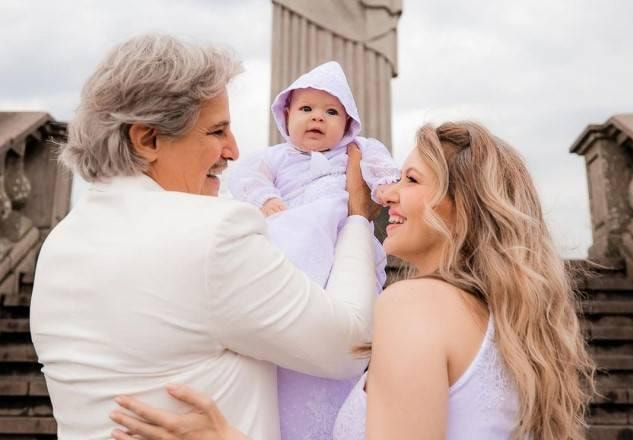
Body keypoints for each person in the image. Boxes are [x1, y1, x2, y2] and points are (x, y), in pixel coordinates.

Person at [110, 122, 596, 440]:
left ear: (460, 203)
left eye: (409, 180)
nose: (385, 193)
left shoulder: (416, 305)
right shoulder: (505, 320)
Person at [29, 33, 380, 440]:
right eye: (217, 132)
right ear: (147, 140)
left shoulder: (60, 243)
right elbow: (351, 344)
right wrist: (357, 217)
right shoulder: (215, 235)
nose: (233, 151)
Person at [227, 60, 399, 440]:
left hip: (342, 241)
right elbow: (243, 176)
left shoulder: (357, 150)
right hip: (293, 238)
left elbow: (383, 167)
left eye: (331, 111)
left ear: (348, 122)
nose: (317, 118)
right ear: (286, 116)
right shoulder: (275, 156)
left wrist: (386, 186)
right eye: (306, 109)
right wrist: (267, 198)